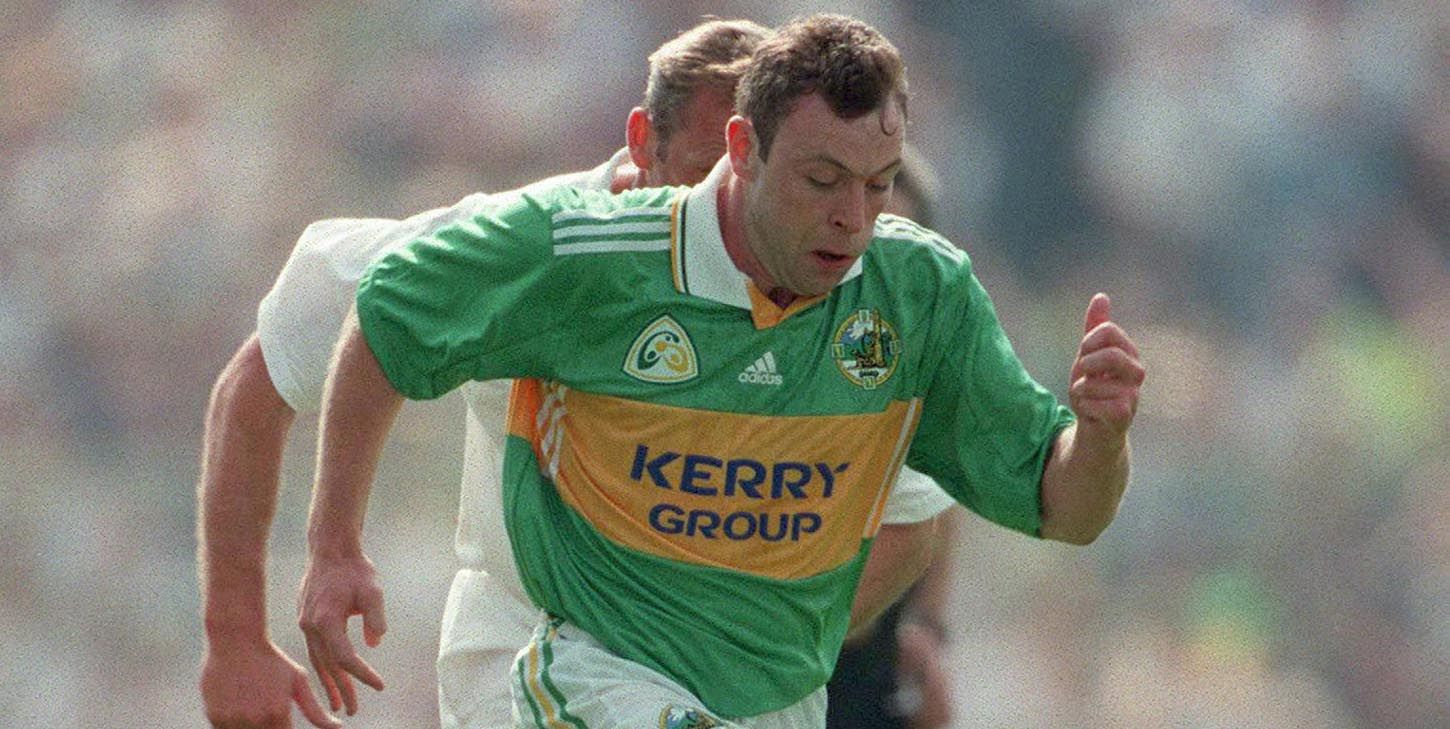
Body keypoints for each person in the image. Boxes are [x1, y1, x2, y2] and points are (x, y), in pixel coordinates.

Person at [305, 12, 1142, 727]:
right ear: (743, 147)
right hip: (599, 675)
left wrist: (1101, 436)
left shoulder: (920, 294)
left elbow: (1065, 507)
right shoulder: (591, 251)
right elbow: (391, 314)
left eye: (878, 185)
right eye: (822, 180)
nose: (852, 218)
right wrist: (335, 547)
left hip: (777, 702)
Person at [197, 18, 953, 729]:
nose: (733, 213)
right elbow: (260, 377)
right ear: (641, 143)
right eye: (705, 174)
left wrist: (757, 633)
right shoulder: (520, 247)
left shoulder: (831, 298)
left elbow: (912, 520)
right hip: (520, 658)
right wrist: (239, 634)